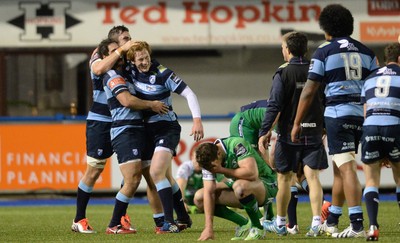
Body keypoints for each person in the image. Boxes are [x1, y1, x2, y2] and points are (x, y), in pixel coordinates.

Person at [291, 4, 379, 238]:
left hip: (337, 115)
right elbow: (374, 89)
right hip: (362, 116)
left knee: (347, 168)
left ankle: (357, 224)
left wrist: (297, 121)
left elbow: (310, 90)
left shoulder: (324, 51)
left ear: (326, 28)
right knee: (341, 168)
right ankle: (332, 220)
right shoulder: (368, 52)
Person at [72, 25, 166, 234]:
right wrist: (120, 51)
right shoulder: (101, 54)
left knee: (134, 173)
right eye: (125, 39)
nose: (129, 41)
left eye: (130, 38)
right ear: (114, 42)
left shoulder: (128, 61)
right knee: (95, 170)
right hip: (102, 121)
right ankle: (79, 219)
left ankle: (124, 218)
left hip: (128, 122)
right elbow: (97, 69)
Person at [126, 41, 204, 233]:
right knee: (167, 178)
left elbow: (190, 94)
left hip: (166, 128)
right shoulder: (130, 70)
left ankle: (168, 222)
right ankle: (184, 217)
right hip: (145, 131)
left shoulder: (163, 73)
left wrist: (197, 120)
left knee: (156, 173)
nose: (144, 62)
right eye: (140, 59)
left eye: (146, 57)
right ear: (133, 61)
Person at [258, 31, 328, 237]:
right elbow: (324, 100)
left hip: (289, 134)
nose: (282, 50)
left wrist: (265, 131)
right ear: (305, 50)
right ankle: (316, 224)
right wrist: (323, 126)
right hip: (314, 131)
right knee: (312, 177)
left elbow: (275, 105)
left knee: (284, 179)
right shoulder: (317, 71)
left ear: (288, 49)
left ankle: (281, 224)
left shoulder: (283, 73)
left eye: (282, 47)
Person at [101, 38, 169, 234]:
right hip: (125, 130)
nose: (120, 53)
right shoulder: (111, 74)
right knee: (132, 179)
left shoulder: (129, 72)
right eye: (115, 50)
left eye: (121, 49)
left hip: (140, 129)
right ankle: (114, 223)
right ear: (107, 56)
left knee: (152, 178)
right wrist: (152, 105)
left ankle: (160, 223)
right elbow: (127, 100)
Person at [194, 138, 277, 241]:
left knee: (240, 186)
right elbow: (209, 192)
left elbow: (252, 174)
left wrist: (222, 170)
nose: (212, 170)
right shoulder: (209, 160)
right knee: (199, 198)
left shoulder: (237, 145)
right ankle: (244, 223)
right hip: (241, 188)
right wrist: (208, 228)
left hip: (267, 184)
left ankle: (258, 228)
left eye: (213, 167)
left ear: (219, 154)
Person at [361, 42, 400, 241]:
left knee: (371, 181)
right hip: (394, 126)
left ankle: (373, 226)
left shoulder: (370, 78)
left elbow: (366, 111)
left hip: (370, 127)